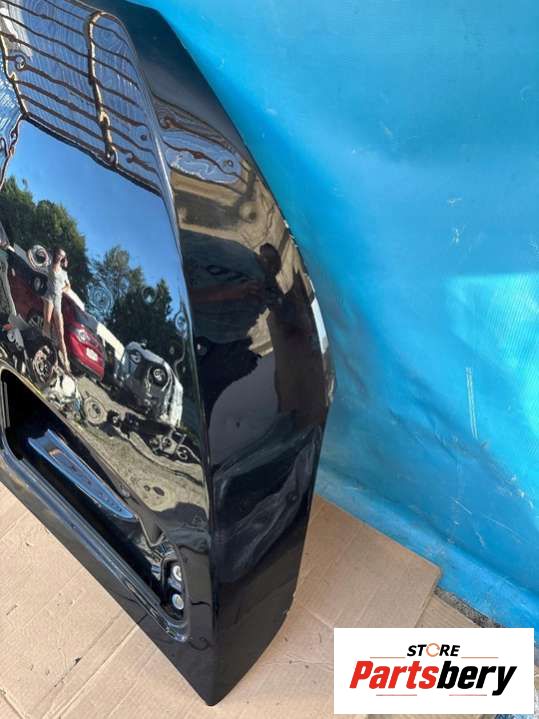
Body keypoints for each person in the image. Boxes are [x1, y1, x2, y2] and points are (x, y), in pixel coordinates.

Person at [42, 247, 71, 372]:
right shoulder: (48, 265)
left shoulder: (64, 273)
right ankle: (45, 349)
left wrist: (61, 290)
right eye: (58, 254)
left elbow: (68, 286)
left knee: (60, 333)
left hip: (58, 301)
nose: (59, 256)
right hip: (49, 297)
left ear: (63, 258)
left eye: (62, 255)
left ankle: (66, 362)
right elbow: (38, 259)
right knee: (47, 323)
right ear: (56, 254)